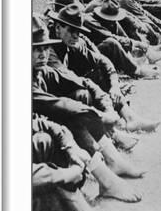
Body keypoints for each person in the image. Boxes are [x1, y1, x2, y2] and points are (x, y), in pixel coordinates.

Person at [32, 24, 145, 199]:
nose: (43, 54)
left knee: (79, 100)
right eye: (35, 49)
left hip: (47, 133)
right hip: (28, 150)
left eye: (45, 48)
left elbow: (82, 81)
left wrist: (108, 107)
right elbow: (58, 105)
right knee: (70, 115)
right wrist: (101, 115)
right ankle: (107, 179)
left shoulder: (43, 72)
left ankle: (113, 162)